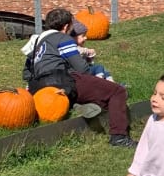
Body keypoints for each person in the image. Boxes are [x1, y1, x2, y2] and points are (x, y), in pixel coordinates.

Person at [21, 8, 135, 147]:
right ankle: (119, 137)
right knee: (117, 91)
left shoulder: (37, 42)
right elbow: (81, 69)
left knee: (97, 95)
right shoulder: (62, 38)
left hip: (40, 89)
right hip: (62, 80)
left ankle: (77, 105)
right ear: (66, 26)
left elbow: (26, 74)